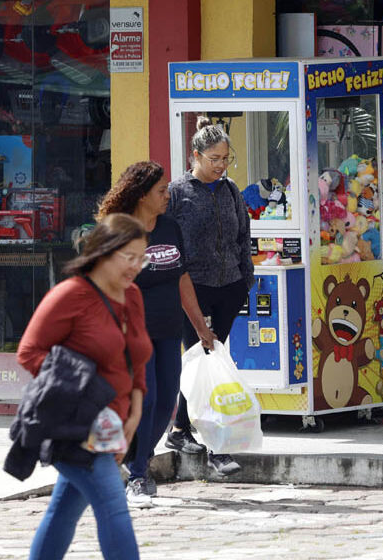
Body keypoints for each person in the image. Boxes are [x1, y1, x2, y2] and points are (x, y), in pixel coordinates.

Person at [17, 214, 153, 559]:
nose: (136, 266)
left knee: (63, 509)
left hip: (113, 424)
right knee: (114, 508)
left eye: (142, 258)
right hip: (74, 425)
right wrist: (75, 391)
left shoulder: (133, 296)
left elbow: (136, 357)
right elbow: (29, 352)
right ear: (104, 252)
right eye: (129, 257)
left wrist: (134, 414)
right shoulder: (71, 295)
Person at [96, 161, 215, 506]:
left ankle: (135, 459)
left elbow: (181, 278)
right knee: (144, 399)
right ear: (141, 195)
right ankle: (137, 475)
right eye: (161, 191)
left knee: (166, 402)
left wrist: (200, 327)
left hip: (168, 330)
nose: (168, 195)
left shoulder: (170, 227)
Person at [166, 116, 255, 476]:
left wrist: (245, 279)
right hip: (193, 288)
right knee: (202, 357)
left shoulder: (231, 190)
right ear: (196, 156)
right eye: (214, 159)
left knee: (211, 361)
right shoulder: (177, 192)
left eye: (225, 159)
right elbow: (168, 243)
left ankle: (180, 428)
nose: (220, 166)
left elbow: (243, 236)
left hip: (229, 286)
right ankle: (215, 446)